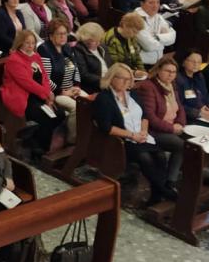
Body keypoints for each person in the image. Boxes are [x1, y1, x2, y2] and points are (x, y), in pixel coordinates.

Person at [93, 63, 173, 204]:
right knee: (145, 158)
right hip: (122, 141)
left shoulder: (133, 95)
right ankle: (164, 191)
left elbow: (145, 117)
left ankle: (156, 194)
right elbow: (106, 127)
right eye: (122, 78)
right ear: (111, 78)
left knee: (160, 156)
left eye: (129, 79)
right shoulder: (104, 98)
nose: (126, 82)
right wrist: (132, 135)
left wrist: (143, 131)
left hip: (141, 136)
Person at [3, 28, 63, 156]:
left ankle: (34, 139)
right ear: (20, 43)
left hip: (39, 95)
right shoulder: (14, 60)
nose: (31, 46)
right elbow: (27, 83)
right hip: (23, 97)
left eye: (32, 43)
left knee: (60, 114)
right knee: (46, 117)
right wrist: (46, 94)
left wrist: (48, 95)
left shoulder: (36, 56)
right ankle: (41, 149)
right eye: (27, 43)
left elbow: (45, 77)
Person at [136, 57, 191, 185]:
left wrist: (180, 123)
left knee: (197, 141)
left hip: (173, 126)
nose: (171, 74)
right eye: (167, 71)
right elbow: (150, 117)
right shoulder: (148, 87)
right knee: (181, 146)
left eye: (173, 72)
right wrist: (172, 128)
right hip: (153, 130)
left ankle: (188, 173)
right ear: (158, 70)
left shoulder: (171, 85)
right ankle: (170, 181)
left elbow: (180, 107)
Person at [39, 19, 86, 143]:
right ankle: (72, 140)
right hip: (56, 93)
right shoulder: (44, 50)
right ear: (51, 35)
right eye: (59, 34)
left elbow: (76, 68)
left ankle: (87, 136)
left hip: (72, 89)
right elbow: (46, 78)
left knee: (89, 102)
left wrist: (76, 86)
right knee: (77, 108)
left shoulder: (67, 47)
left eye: (65, 33)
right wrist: (62, 92)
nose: (63, 36)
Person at [135, 0, 178, 67]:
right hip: (141, 64)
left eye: (158, 2)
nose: (155, 6)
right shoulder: (136, 19)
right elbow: (149, 46)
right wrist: (164, 41)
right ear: (142, 4)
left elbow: (173, 38)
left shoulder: (158, 17)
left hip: (158, 62)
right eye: (151, 3)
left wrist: (156, 37)